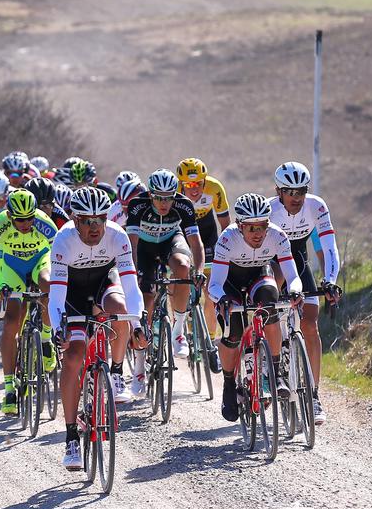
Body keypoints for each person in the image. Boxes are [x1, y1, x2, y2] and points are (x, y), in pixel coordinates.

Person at [48, 187, 143, 469]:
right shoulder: (63, 240)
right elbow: (56, 293)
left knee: (120, 310)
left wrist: (138, 323)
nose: (95, 227)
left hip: (104, 282)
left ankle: (115, 372)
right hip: (72, 293)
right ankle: (70, 438)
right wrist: (57, 327)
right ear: (75, 220)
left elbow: (130, 284)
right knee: (74, 356)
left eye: (100, 219)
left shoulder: (117, 235)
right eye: (87, 221)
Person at [210, 193, 302, 422]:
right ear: (239, 226)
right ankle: (229, 383)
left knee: (269, 301)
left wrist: (295, 290)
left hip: (259, 276)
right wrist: (221, 299)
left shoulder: (277, 236)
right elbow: (215, 284)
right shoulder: (227, 238)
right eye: (251, 228)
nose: (258, 233)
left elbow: (293, 276)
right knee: (234, 333)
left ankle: (276, 371)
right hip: (231, 283)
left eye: (262, 226)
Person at [267, 161, 341, 425]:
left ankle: (314, 394)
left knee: (310, 323)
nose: (296, 198)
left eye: (301, 191)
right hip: (271, 261)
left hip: (298, 258)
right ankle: (268, 366)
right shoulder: (269, 210)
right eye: (290, 192)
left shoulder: (316, 206)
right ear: (279, 192)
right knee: (269, 303)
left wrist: (330, 280)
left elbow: (329, 246)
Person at [123, 169, 204, 396]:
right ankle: (139, 366)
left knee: (183, 267)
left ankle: (178, 331)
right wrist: (134, 273)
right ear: (150, 195)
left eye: (169, 196)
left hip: (170, 242)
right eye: (159, 197)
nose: (164, 202)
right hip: (145, 250)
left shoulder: (184, 204)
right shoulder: (137, 205)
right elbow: (133, 245)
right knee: (146, 301)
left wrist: (198, 271)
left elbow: (195, 243)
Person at [0, 189, 57, 415]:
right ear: (9, 216)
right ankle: (9, 387)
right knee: (11, 322)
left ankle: (46, 338)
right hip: (11, 267)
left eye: (30, 218)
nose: (27, 223)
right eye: (21, 219)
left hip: (39, 261)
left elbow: (59, 259)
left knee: (48, 284)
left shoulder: (45, 224)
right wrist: (1, 286)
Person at [177, 157, 231, 357]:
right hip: (182, 232)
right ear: (181, 183)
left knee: (210, 289)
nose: (193, 189)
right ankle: (183, 326)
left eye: (198, 183)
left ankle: (208, 339)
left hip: (207, 233)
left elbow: (225, 225)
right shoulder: (174, 192)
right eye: (188, 185)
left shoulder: (215, 188)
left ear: (204, 181)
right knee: (181, 279)